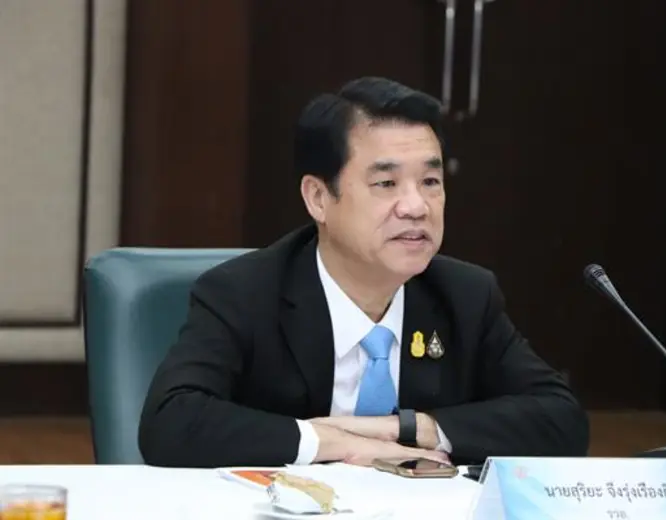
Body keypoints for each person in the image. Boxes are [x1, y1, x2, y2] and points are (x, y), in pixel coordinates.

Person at [138, 77, 589, 468]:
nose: (416, 207)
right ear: (318, 198)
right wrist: (337, 442)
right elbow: (170, 421)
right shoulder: (244, 292)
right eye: (386, 184)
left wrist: (410, 429)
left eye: (430, 182)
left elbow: (561, 419)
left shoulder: (465, 295)